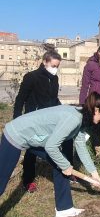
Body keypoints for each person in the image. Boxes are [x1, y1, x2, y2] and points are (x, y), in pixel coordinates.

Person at [0, 92, 100, 217]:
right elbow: (51, 146)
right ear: (96, 110)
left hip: (34, 138)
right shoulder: (73, 119)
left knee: (60, 163)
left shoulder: (82, 116)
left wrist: (94, 173)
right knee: (1, 179)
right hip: (16, 134)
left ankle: (64, 208)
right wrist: (65, 165)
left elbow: (80, 146)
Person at [13, 50, 74, 193]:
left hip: (51, 119)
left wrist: (64, 110)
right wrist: (17, 119)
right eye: (53, 65)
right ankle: (28, 180)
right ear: (45, 62)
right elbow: (20, 99)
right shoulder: (31, 77)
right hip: (34, 120)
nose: (55, 69)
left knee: (67, 139)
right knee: (32, 150)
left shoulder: (54, 78)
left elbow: (53, 99)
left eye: (57, 66)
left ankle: (68, 171)